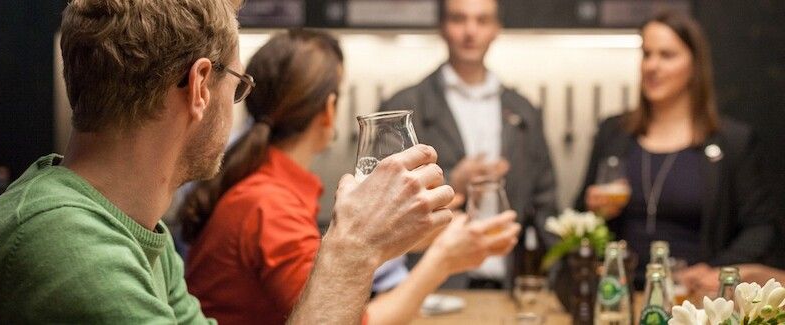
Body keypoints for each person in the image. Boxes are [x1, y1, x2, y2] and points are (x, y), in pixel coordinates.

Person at [0, 1, 456, 323]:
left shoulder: (139, 232)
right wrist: (353, 249)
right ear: (200, 86)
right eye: (239, 86)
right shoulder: (70, 251)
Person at [178, 29, 520, 325]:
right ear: (329, 110)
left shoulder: (263, 188)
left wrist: (417, 237)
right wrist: (442, 261)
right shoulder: (269, 205)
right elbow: (345, 318)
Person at [575, 11, 778, 289]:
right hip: (620, 291)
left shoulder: (732, 142)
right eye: (647, 54)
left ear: (695, 66)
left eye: (667, 55)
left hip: (693, 298)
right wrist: (594, 211)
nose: (652, 66)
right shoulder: (614, 133)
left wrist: (717, 271)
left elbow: (761, 227)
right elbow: (577, 216)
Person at [381, 0, 557, 289]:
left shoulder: (523, 111)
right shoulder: (405, 107)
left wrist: (556, 279)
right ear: (442, 27)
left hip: (510, 284)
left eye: (482, 20)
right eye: (459, 19)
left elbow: (545, 203)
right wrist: (453, 182)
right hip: (430, 288)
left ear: (496, 29)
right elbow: (385, 202)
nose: (470, 31)